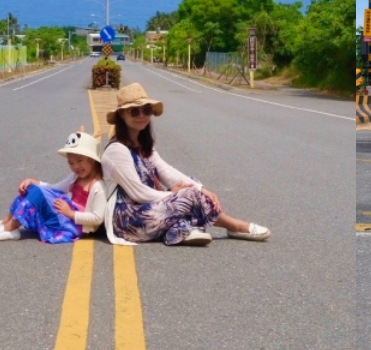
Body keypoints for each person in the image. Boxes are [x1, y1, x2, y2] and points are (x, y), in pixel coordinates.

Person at [100, 82, 270, 246]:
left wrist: (201, 189)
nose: (141, 116)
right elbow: (139, 193)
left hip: (149, 210)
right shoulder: (117, 150)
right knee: (188, 194)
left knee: (191, 184)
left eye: (146, 110)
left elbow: (167, 172)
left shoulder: (143, 146)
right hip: (128, 221)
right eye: (134, 111)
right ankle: (235, 226)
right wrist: (175, 195)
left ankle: (180, 230)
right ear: (121, 115)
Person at [0, 130, 106, 243]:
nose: (76, 167)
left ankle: (10, 228)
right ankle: (5, 222)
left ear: (92, 159)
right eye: (71, 163)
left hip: (73, 224)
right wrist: (34, 182)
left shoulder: (98, 186)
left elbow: (97, 218)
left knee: (37, 194)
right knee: (31, 189)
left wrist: (70, 213)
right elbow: (55, 188)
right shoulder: (76, 177)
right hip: (65, 215)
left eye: (79, 161)